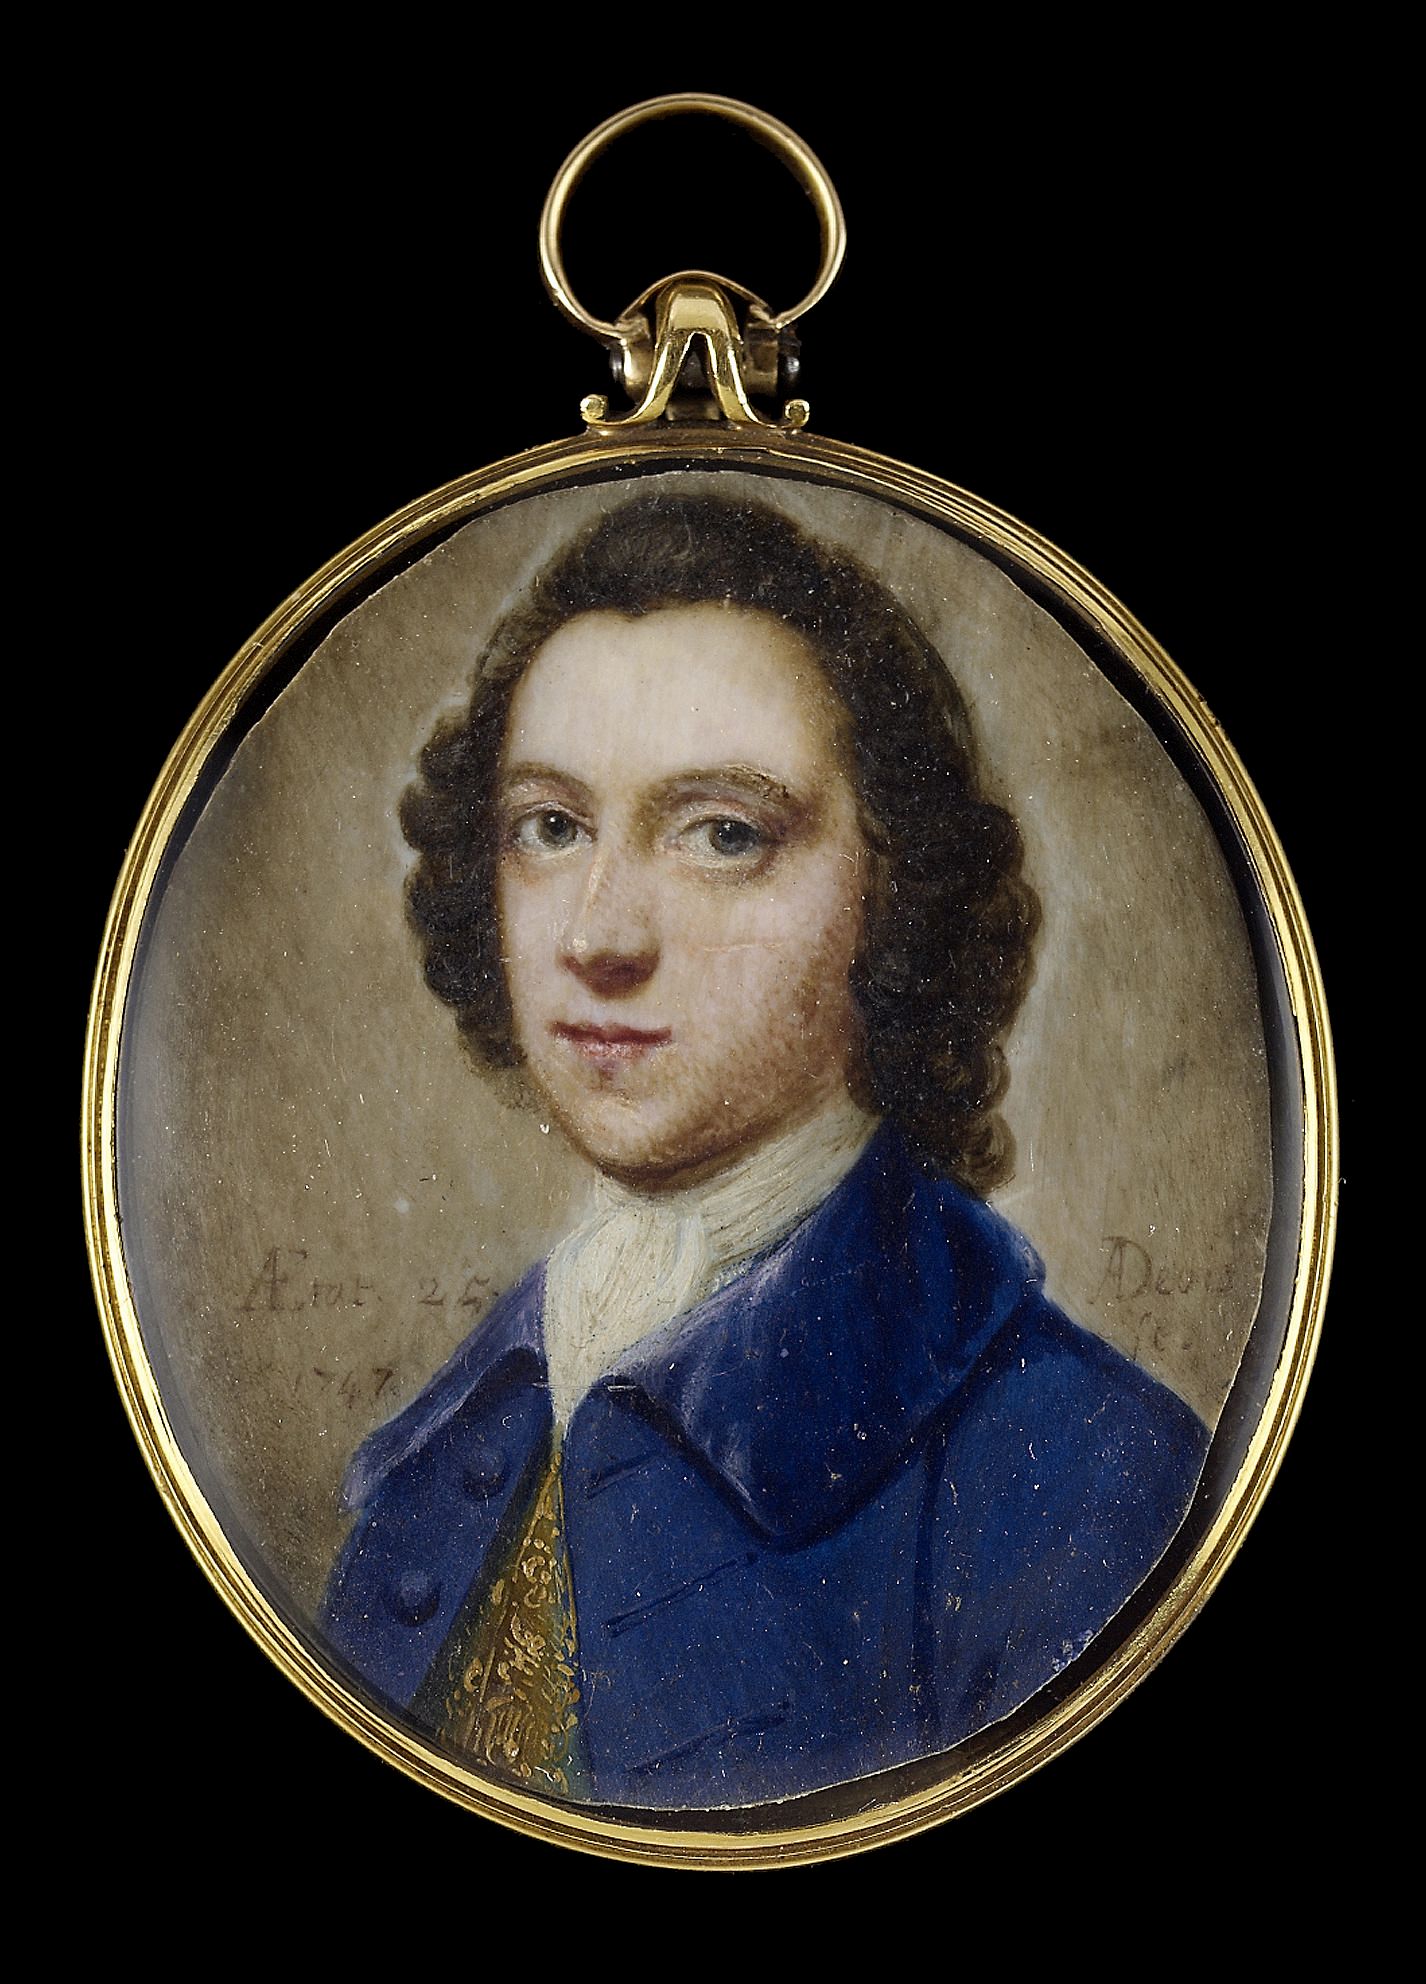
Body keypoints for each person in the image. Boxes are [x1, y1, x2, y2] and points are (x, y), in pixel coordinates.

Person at [322, 492, 1209, 1810]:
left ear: (892, 894)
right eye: (550, 827)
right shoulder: (448, 1448)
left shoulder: (1083, 1472)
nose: (598, 937)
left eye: (723, 835)